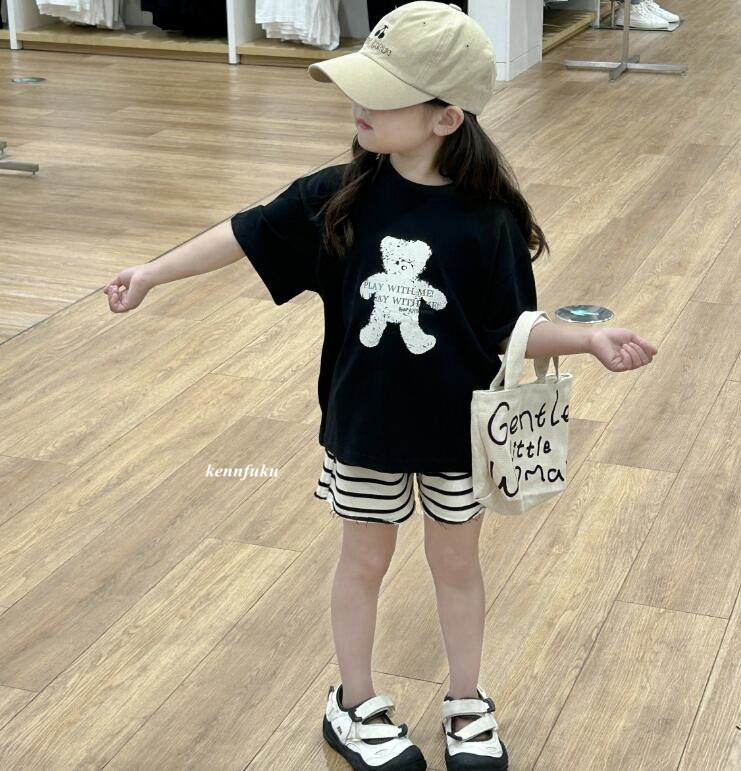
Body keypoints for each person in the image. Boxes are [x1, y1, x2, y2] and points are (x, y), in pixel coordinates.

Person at [103, 3, 658, 769]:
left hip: (457, 434)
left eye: (381, 93)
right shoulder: (337, 196)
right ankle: (354, 700)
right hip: (365, 428)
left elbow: (509, 329)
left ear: (445, 118)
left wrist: (586, 339)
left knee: (456, 565)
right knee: (362, 561)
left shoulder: (488, 220)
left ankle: (466, 699)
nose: (356, 103)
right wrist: (152, 272)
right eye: (357, 86)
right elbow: (244, 232)